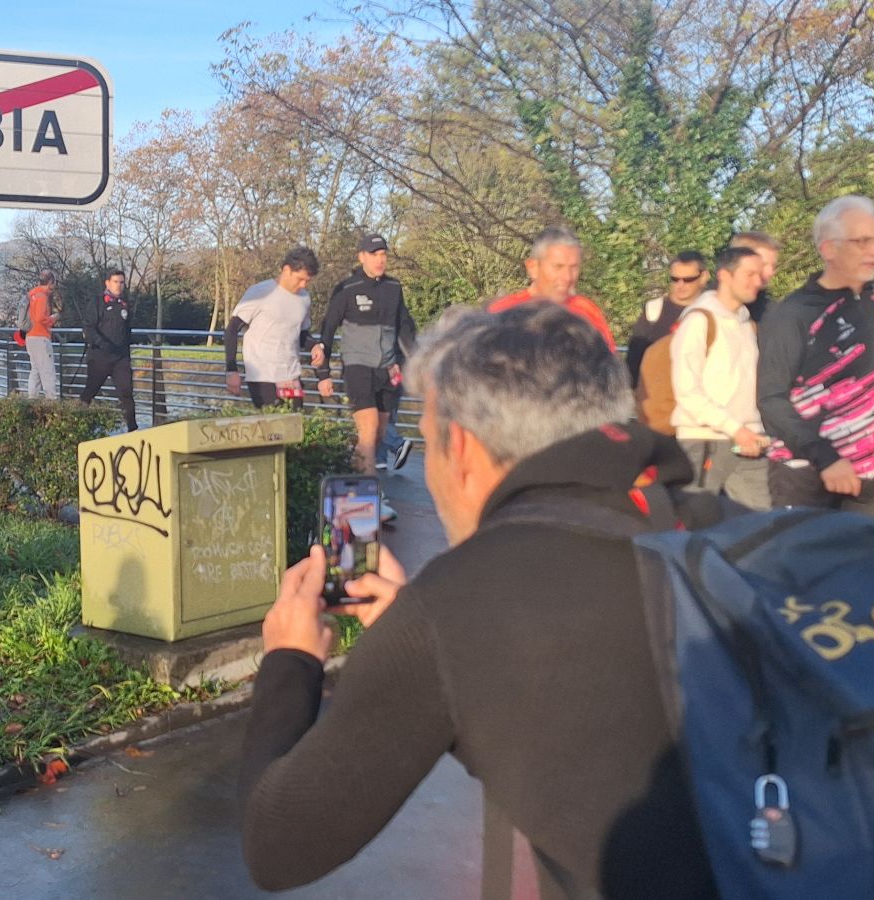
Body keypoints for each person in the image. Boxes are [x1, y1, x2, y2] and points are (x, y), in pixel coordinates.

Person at [240, 302, 713, 897]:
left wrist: (290, 659)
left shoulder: (455, 607)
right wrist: (417, 627)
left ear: (459, 448)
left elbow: (278, 843)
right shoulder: (728, 531)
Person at [756, 195, 874, 516]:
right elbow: (771, 400)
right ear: (828, 249)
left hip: (873, 481)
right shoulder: (794, 313)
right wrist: (827, 458)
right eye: (862, 241)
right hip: (809, 477)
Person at [670, 246, 772, 510]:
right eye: (749, 274)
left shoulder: (745, 323)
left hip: (750, 441)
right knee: (696, 525)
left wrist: (754, 430)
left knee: (761, 527)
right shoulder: (698, 321)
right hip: (704, 440)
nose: (757, 281)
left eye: (759, 274)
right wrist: (735, 429)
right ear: (725, 276)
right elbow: (687, 392)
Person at [314, 234, 417, 475]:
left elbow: (405, 326)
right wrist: (323, 373)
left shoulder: (394, 287)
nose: (380, 260)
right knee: (369, 428)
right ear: (362, 257)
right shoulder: (347, 289)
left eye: (383, 255)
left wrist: (409, 359)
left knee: (379, 433)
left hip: (387, 367)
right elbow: (328, 328)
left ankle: (350, 480)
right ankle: (371, 495)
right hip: (357, 366)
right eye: (374, 255)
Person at [487, 225, 617, 350]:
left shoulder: (587, 311)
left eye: (574, 267)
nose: (567, 277)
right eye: (558, 267)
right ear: (533, 267)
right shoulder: (504, 312)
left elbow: (608, 365)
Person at [227, 247, 318, 410]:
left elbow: (302, 333)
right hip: (263, 375)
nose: (303, 285)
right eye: (300, 279)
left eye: (307, 281)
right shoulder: (260, 292)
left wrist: (314, 346)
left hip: (291, 375)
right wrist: (231, 370)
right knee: (273, 427)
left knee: (294, 425)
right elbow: (232, 329)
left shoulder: (304, 298)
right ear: (286, 270)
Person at [625, 250, 708, 384]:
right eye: (675, 279)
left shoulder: (713, 312)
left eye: (688, 280)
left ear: (703, 277)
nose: (680, 285)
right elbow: (633, 361)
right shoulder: (653, 311)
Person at [77, 269, 136, 431]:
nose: (119, 285)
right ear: (108, 283)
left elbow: (127, 330)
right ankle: (76, 424)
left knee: (127, 393)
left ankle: (133, 430)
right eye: (116, 282)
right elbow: (88, 328)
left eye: (122, 282)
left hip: (120, 358)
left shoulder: (125, 304)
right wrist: (101, 343)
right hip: (99, 356)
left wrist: (127, 350)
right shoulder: (97, 302)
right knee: (90, 391)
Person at [731, 231, 781, 322]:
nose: (771, 272)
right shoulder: (709, 307)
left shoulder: (771, 311)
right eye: (762, 264)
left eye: (773, 266)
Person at [24, 270, 60, 399]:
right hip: (40, 337)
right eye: (54, 284)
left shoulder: (32, 294)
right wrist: (52, 319)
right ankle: (52, 402)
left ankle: (31, 399)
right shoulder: (42, 296)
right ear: (50, 282)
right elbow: (40, 318)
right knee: (48, 371)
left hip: (30, 336)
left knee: (36, 371)